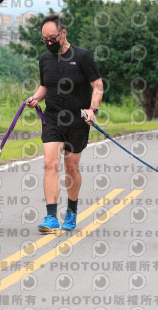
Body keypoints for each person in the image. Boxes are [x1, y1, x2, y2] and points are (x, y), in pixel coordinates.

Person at [26, 15, 103, 232]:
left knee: (71, 168)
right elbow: (45, 86)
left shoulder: (83, 56)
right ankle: (51, 216)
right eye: (45, 40)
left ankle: (71, 211)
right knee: (51, 164)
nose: (49, 44)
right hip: (52, 118)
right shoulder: (45, 59)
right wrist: (35, 98)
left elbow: (97, 86)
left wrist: (92, 110)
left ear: (64, 33)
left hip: (78, 120)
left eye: (52, 39)